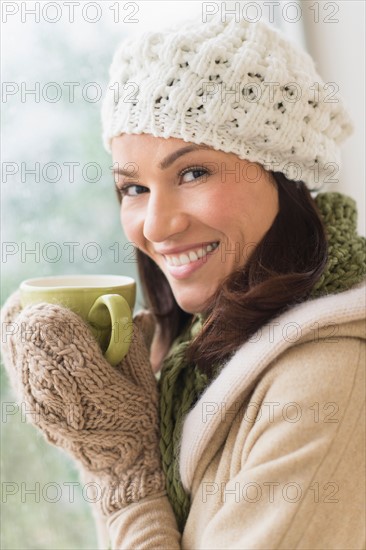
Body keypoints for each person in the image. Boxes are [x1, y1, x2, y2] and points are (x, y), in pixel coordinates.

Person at [1, 14, 365, 550]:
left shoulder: (326, 380)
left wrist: (122, 470)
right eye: (133, 188)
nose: (154, 224)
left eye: (193, 173)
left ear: (283, 171)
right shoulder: (193, 357)